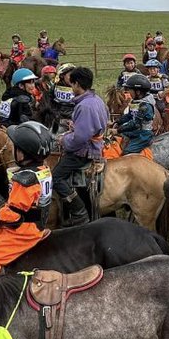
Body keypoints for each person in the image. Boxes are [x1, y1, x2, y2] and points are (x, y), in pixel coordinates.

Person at [0, 121, 55, 274]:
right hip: (39, 224)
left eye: (16, 147)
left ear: (23, 153)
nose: (14, 150)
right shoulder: (43, 170)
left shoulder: (25, 179)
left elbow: (13, 215)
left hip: (24, 230)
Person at [54, 67, 109, 226]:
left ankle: (79, 211)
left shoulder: (84, 106)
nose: (71, 89)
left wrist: (63, 140)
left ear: (77, 84)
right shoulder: (96, 100)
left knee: (56, 177)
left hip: (85, 151)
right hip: (96, 144)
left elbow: (80, 138)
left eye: (72, 85)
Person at [116, 74, 157, 158]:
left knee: (127, 152)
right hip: (136, 132)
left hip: (144, 135)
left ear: (138, 92)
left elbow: (136, 123)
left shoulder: (145, 106)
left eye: (129, 90)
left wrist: (118, 130)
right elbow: (129, 116)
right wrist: (117, 121)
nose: (128, 92)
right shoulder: (135, 102)